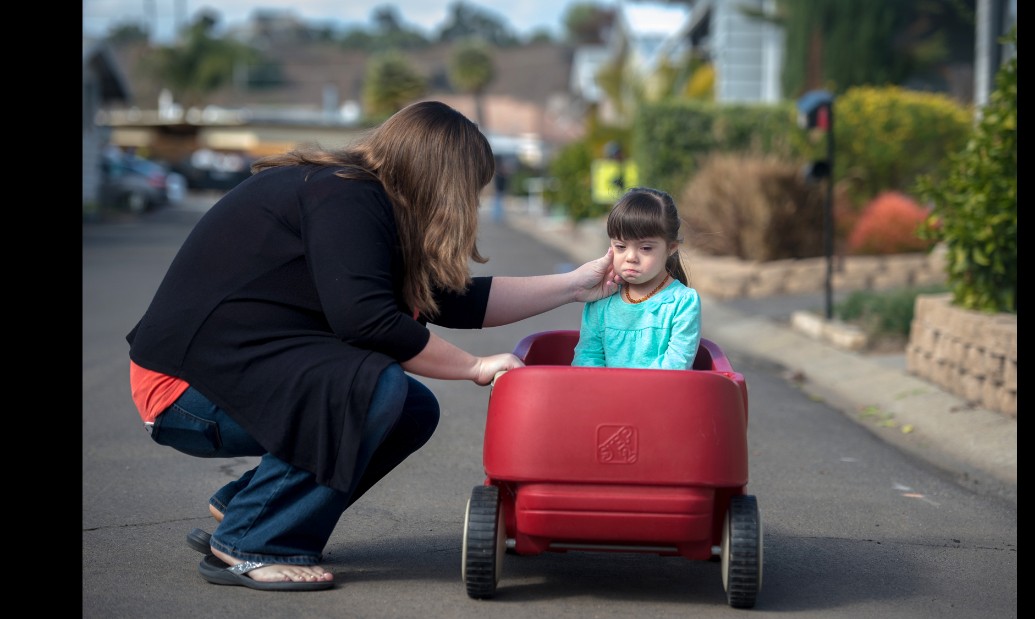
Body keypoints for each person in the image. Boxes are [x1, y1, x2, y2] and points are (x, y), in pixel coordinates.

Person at [126, 101, 620, 591]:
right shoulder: (344, 195)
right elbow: (368, 323)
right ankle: (251, 541)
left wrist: (576, 285)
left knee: (411, 407)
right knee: (372, 387)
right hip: (183, 391)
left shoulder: (364, 201)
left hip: (228, 379)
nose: (468, 200)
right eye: (469, 186)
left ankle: (253, 506)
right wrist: (475, 366)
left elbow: (454, 302)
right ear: (443, 178)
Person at [571, 187, 701, 370]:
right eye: (621, 246)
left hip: (660, 396)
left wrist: (631, 392)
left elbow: (676, 364)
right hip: (603, 395)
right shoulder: (601, 299)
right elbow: (587, 355)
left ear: (671, 247)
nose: (630, 257)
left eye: (646, 248)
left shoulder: (682, 302)